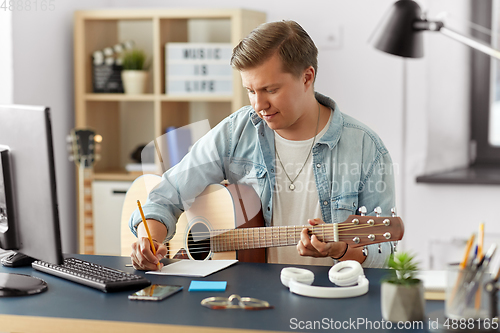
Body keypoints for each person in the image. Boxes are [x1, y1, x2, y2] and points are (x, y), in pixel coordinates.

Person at [129, 20, 396, 271]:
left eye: (270, 89)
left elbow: (384, 252)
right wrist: (148, 240)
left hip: (332, 303)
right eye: (251, 91)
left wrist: (340, 250)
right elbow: (167, 194)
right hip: (246, 299)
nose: (258, 105)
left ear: (307, 77)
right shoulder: (237, 131)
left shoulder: (366, 149)